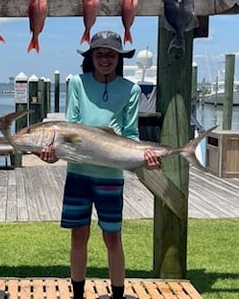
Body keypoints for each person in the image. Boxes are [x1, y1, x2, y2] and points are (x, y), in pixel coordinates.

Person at [37, 31, 162, 299]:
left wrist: (145, 157)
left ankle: (118, 295)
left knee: (112, 237)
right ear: (91, 57)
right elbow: (70, 125)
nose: (105, 59)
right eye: (99, 54)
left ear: (119, 58)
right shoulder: (77, 84)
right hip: (78, 173)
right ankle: (78, 294)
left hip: (111, 175)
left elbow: (130, 134)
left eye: (111, 54)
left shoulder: (131, 89)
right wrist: (53, 153)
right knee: (78, 235)